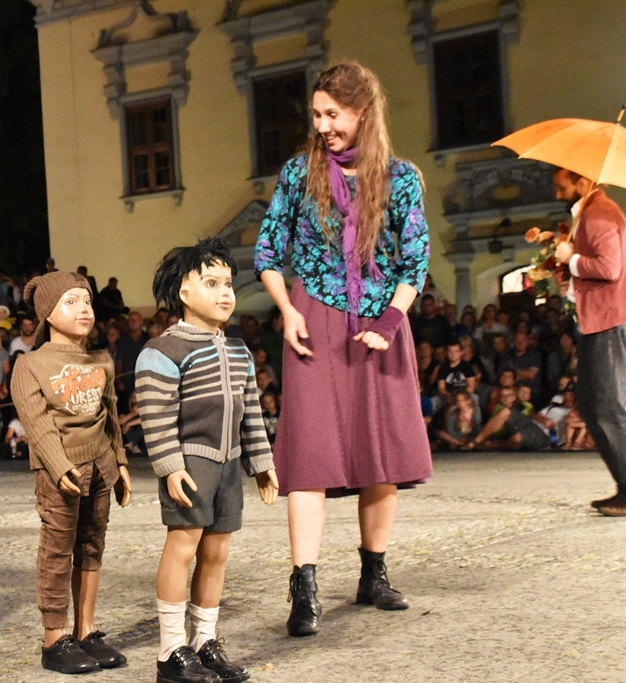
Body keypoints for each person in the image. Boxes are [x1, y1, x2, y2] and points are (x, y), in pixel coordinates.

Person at [254, 62, 432, 638]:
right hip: (312, 321)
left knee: (377, 455)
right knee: (309, 458)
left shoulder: (400, 178)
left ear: (362, 113)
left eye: (332, 113)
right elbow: (267, 249)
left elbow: (415, 262)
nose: (322, 124)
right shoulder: (298, 174)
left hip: (380, 324)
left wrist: (390, 317)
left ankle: (373, 575)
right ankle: (303, 587)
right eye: (316, 114)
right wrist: (286, 311)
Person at [135, 237, 278, 683]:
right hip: (190, 464)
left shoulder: (239, 351)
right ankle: (170, 650)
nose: (224, 293)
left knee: (216, 552)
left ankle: (204, 641)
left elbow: (250, 410)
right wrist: (169, 465)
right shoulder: (163, 350)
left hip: (229, 464)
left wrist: (262, 461)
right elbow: (154, 415)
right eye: (211, 282)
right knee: (182, 547)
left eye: (228, 284)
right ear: (183, 291)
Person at [9, 270, 133, 675]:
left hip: (101, 465)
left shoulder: (101, 359)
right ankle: (54, 636)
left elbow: (110, 415)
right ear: (48, 312)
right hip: (59, 471)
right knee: (58, 549)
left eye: (87, 301)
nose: (83, 309)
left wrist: (122, 465)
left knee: (93, 545)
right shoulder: (31, 364)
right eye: (71, 302)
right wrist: (60, 466)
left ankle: (86, 629)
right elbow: (38, 424)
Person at [553, 167, 626, 515]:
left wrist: (568, 259)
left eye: (562, 187)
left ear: (582, 182)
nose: (557, 194)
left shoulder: (599, 212)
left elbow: (609, 267)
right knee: (592, 405)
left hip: (610, 318)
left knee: (610, 407)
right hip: (601, 318)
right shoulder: (591, 213)